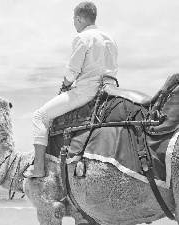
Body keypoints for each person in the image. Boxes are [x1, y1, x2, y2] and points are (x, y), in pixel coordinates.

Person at [24, 2, 118, 178]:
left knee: (40, 116)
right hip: (110, 91)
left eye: (74, 20)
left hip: (86, 92)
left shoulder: (83, 38)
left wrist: (65, 86)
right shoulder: (111, 39)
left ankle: (38, 167)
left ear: (79, 18)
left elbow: (72, 72)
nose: (74, 24)